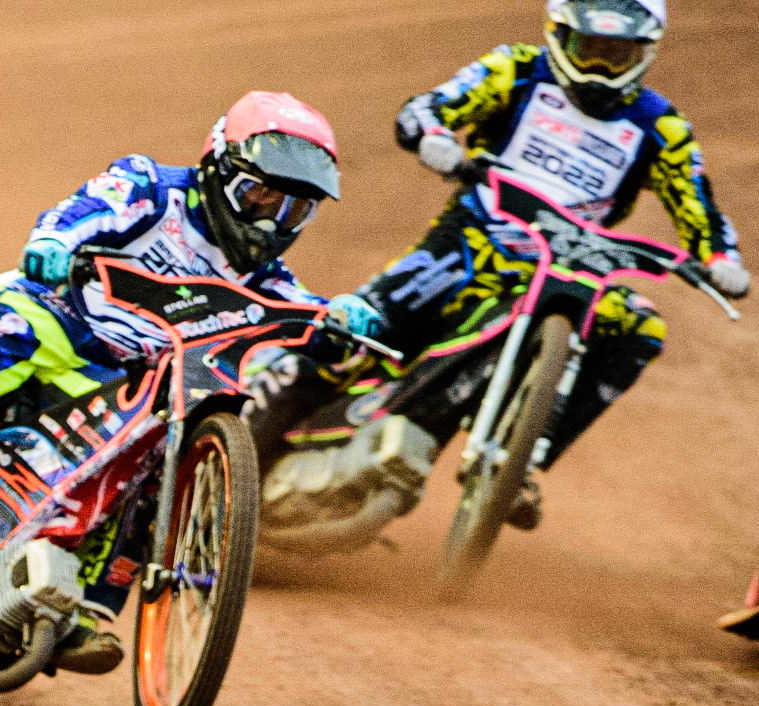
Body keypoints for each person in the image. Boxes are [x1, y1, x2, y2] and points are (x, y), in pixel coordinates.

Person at [0, 91, 372, 671]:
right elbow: (81, 213)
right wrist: (53, 242)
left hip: (125, 382)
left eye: (295, 210)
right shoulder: (151, 188)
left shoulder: (265, 278)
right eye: (259, 197)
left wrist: (343, 319)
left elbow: (306, 316)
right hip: (52, 323)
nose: (271, 222)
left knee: (168, 438)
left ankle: (84, 605)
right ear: (219, 167)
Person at [252, 0, 747, 530]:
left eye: (618, 53)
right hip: (465, 251)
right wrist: (435, 135)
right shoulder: (514, 70)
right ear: (559, 36)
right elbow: (426, 109)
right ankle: (235, 458)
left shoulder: (661, 127)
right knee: (345, 336)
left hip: (572, 273)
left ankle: (523, 458)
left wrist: (720, 258)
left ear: (645, 52)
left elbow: (697, 204)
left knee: (640, 327)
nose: (602, 66)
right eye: (591, 49)